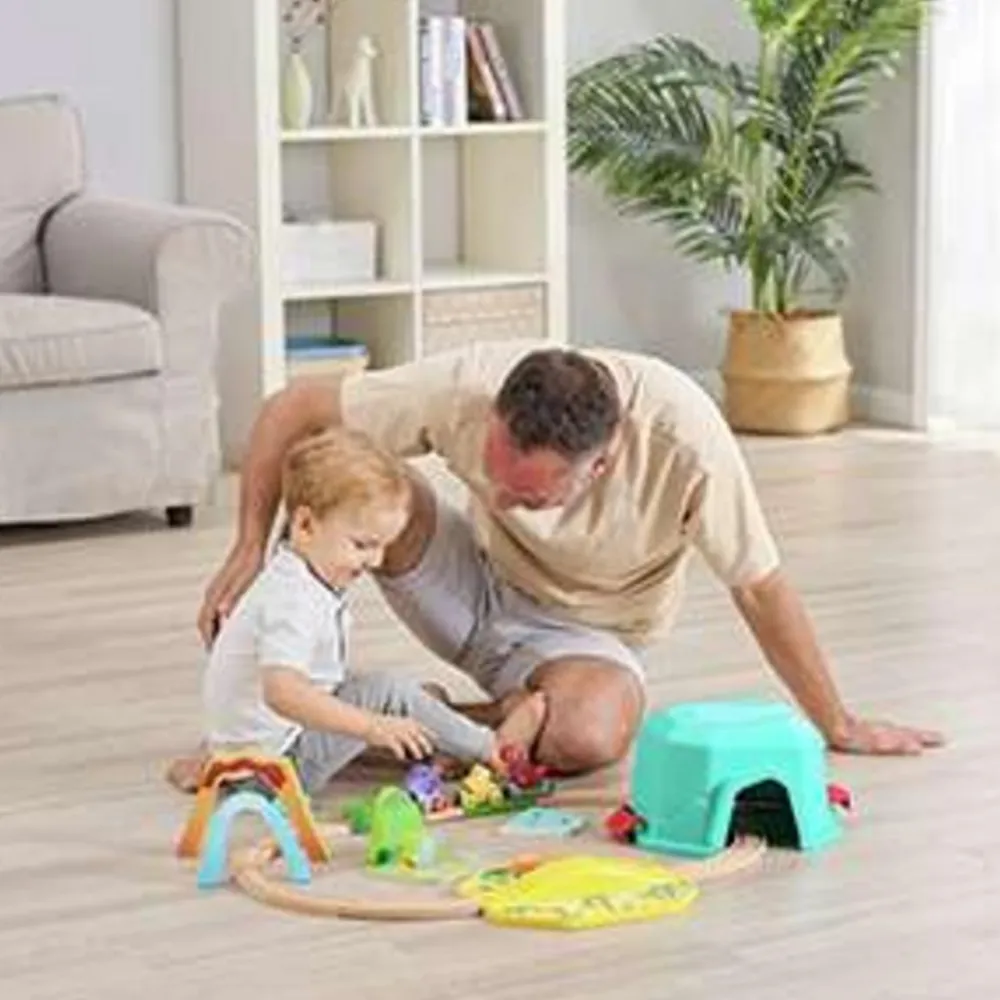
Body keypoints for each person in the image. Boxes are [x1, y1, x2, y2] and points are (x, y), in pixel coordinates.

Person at [195, 340, 944, 777]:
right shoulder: (468, 386)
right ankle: (391, 722)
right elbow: (294, 408)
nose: (501, 496)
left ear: (603, 463)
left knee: (591, 734)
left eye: (527, 496)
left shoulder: (686, 445)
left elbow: (760, 588)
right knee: (376, 486)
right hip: (472, 586)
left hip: (587, 641)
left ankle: (416, 721)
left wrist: (837, 723)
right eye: (494, 476)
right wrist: (248, 548)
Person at [175, 426, 547, 796]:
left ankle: (443, 744)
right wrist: (371, 726)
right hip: (277, 769)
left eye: (382, 546)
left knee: (397, 697)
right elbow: (282, 692)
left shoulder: (297, 574)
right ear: (305, 525)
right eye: (363, 545)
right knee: (388, 692)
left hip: (255, 757)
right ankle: (494, 750)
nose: (376, 561)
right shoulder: (293, 601)